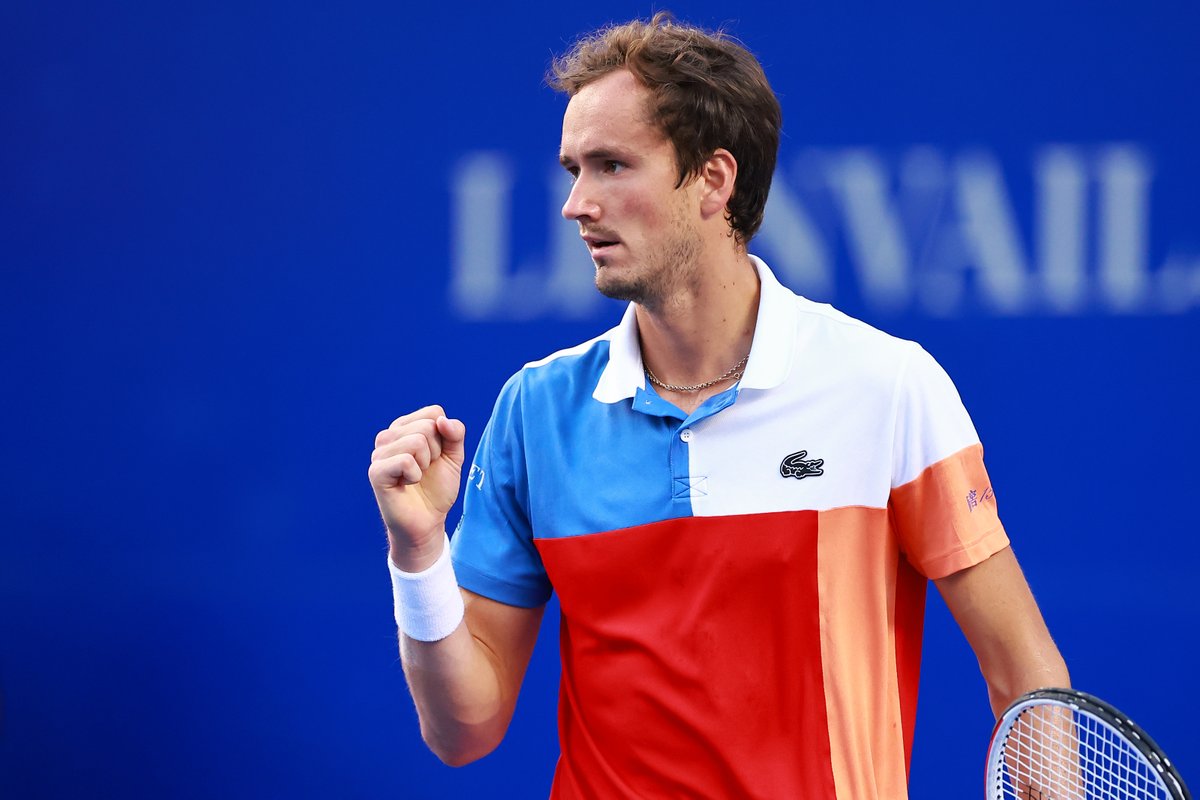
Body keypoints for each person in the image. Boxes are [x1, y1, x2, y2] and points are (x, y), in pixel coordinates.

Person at [369, 13, 1069, 799]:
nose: (576, 203)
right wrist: (418, 552)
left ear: (713, 180)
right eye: (574, 169)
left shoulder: (888, 385)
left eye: (611, 166)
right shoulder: (536, 411)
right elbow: (462, 731)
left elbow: (1025, 674)